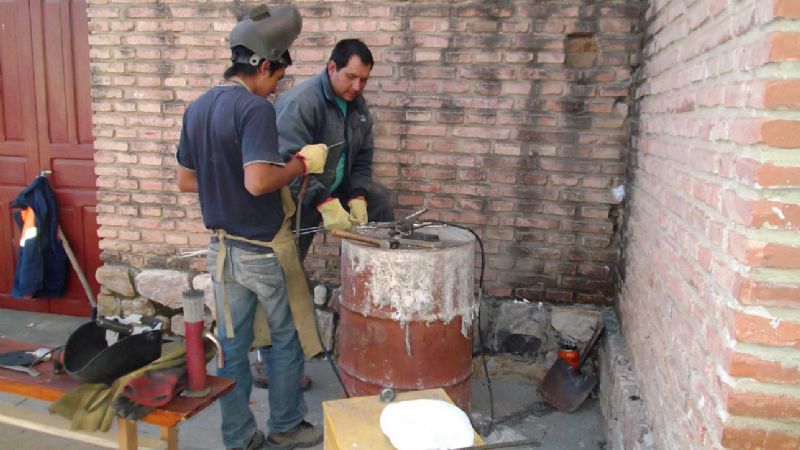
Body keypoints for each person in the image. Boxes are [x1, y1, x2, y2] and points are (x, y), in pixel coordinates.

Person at [175, 5, 326, 450]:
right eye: (278, 76)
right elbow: (259, 181)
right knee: (286, 338)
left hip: (220, 252)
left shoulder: (199, 107)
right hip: (262, 251)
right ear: (263, 65)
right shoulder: (255, 109)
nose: (277, 85)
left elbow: (185, 179)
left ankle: (239, 438)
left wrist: (227, 177)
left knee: (232, 347)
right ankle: (284, 427)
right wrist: (298, 165)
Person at [251, 38, 395, 390]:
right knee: (284, 274)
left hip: (332, 188)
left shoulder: (358, 108)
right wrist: (323, 202)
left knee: (380, 201)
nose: (357, 87)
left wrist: (358, 195)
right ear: (331, 67)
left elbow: (362, 160)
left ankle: (379, 305)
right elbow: (284, 160)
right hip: (290, 197)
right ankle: (266, 357)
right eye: (350, 77)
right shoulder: (303, 103)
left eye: (364, 80)